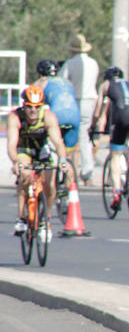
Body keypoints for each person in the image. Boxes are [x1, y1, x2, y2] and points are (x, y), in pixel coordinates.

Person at [7, 86, 70, 236]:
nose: (33, 111)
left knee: (50, 184)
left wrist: (63, 160)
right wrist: (16, 161)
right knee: (25, 175)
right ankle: (21, 217)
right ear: (24, 105)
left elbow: (58, 142)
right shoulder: (15, 117)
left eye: (37, 107)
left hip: (41, 150)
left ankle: (45, 219)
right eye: (29, 107)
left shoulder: (48, 117)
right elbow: (11, 145)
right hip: (24, 150)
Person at [90, 67, 129, 211]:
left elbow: (97, 111)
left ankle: (116, 192)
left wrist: (92, 126)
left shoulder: (106, 85)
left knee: (115, 155)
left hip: (122, 117)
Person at [60, 34, 99, 185]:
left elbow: (62, 81)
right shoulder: (93, 63)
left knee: (70, 135)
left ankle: (69, 171)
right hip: (89, 101)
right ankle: (87, 172)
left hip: (74, 100)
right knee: (84, 137)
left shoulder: (69, 64)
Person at [35, 60, 81, 184]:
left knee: (47, 143)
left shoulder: (42, 82)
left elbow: (31, 99)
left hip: (58, 116)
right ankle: (70, 187)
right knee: (68, 155)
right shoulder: (67, 82)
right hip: (75, 116)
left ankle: (49, 178)